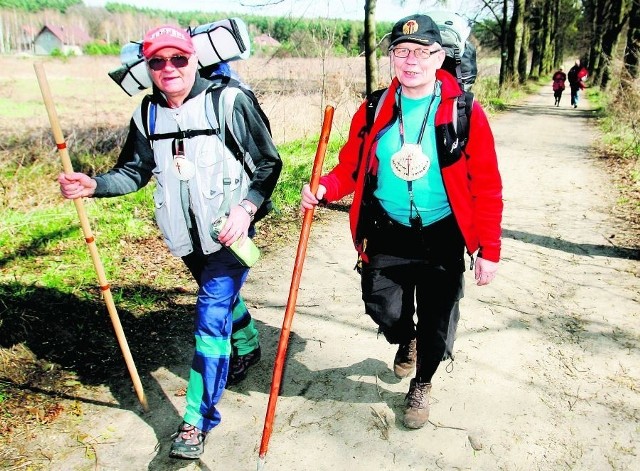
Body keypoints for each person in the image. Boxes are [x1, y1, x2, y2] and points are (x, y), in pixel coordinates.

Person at [58, 25, 282, 459]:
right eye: (157, 61)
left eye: (178, 58)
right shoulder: (147, 114)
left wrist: (247, 208)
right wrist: (93, 184)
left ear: (193, 57)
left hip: (230, 233)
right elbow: (134, 171)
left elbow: (269, 163)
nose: (169, 68)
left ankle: (197, 421)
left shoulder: (229, 102)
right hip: (184, 235)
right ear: (148, 67)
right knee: (218, 297)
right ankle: (250, 344)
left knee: (209, 315)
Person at [301, 14, 503, 430]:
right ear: (392, 57)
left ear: (439, 56)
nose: (411, 60)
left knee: (438, 318)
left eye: (422, 52)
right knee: (383, 307)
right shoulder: (375, 107)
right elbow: (351, 167)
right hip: (387, 231)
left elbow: (486, 184)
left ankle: (423, 382)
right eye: (401, 51)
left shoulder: (464, 111)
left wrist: (489, 250)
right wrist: (324, 187)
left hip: (443, 234)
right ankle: (403, 338)